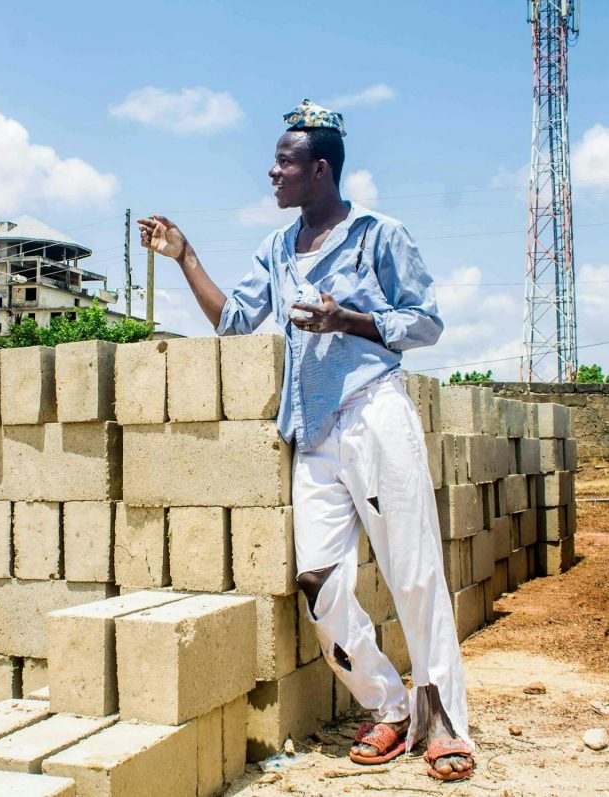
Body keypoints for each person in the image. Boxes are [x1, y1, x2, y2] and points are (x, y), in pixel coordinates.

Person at [137, 99, 474, 782]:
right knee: (319, 580)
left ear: (319, 170)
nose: (271, 171)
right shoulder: (276, 248)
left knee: (412, 571)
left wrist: (346, 319)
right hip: (312, 433)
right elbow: (234, 321)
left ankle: (444, 723)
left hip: (372, 411)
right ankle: (388, 706)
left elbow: (426, 321)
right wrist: (185, 255)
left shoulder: (378, 234)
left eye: (285, 162)